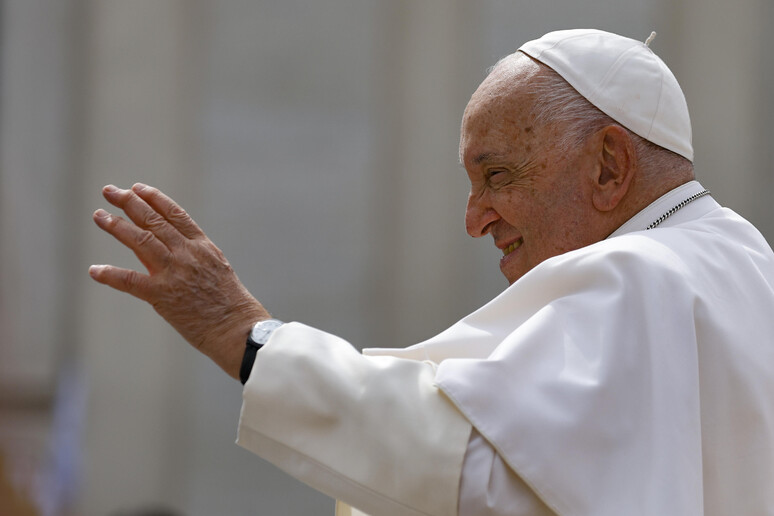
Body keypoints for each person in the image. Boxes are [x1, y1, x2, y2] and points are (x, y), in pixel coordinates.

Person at [89, 29, 774, 515]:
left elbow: (473, 474)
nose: (475, 220)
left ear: (608, 166)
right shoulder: (743, 266)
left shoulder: (642, 275)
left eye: (497, 175)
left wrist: (242, 333)